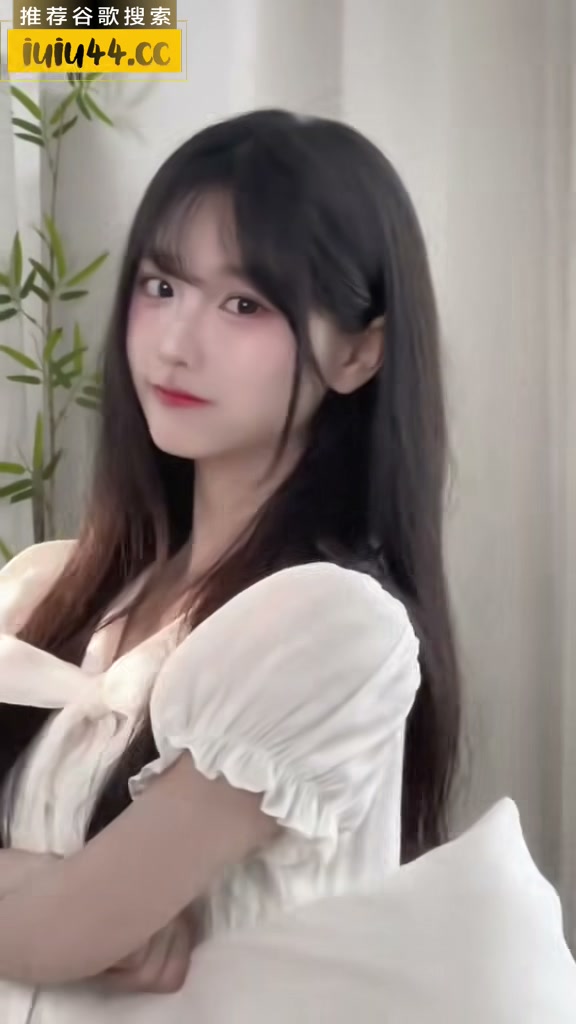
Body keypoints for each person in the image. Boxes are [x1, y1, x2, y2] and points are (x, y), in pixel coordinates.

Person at [0, 108, 461, 1021]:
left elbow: (63, 935)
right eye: (162, 286)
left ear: (357, 352)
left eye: (244, 305)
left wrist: (64, 907)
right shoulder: (50, 590)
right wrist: (43, 889)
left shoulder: (331, 627)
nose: (176, 343)